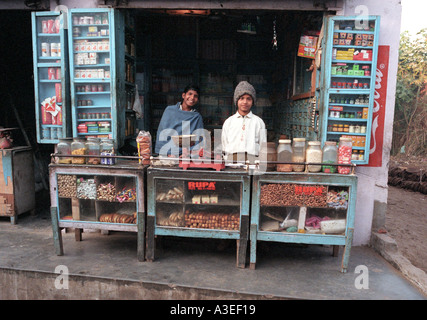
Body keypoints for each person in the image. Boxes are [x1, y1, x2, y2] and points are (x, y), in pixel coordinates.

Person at [221, 81, 267, 163]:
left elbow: (263, 146)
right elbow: (224, 144)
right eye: (242, 98)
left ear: (253, 101)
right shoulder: (229, 122)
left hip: (252, 161)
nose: (245, 102)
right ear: (236, 100)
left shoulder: (259, 122)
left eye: (248, 99)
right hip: (232, 161)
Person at [155, 85, 204, 156]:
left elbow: (199, 139)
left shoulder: (196, 117)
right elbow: (162, 133)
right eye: (190, 94)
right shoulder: (170, 111)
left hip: (186, 155)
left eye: (195, 96)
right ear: (183, 95)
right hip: (168, 153)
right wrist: (168, 153)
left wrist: (188, 154)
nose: (192, 98)